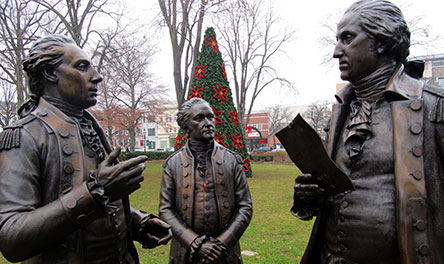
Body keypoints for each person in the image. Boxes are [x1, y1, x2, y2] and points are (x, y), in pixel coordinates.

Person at [292, 1, 444, 263]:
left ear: (381, 41)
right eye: (337, 40)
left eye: (347, 39)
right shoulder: (339, 113)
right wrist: (308, 197)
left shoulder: (434, 108)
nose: (336, 52)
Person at [0, 35, 171, 263]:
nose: (97, 77)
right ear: (51, 74)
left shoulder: (90, 128)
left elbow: (104, 201)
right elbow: (12, 239)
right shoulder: (24, 136)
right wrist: (96, 191)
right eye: (82, 67)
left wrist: (137, 221)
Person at [159, 98, 252, 264]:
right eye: (199, 118)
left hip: (225, 254)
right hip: (185, 254)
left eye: (210, 117)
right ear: (186, 124)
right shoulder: (172, 164)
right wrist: (194, 242)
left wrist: (222, 243)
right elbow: (165, 210)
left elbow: (245, 207)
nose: (208, 123)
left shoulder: (232, 161)